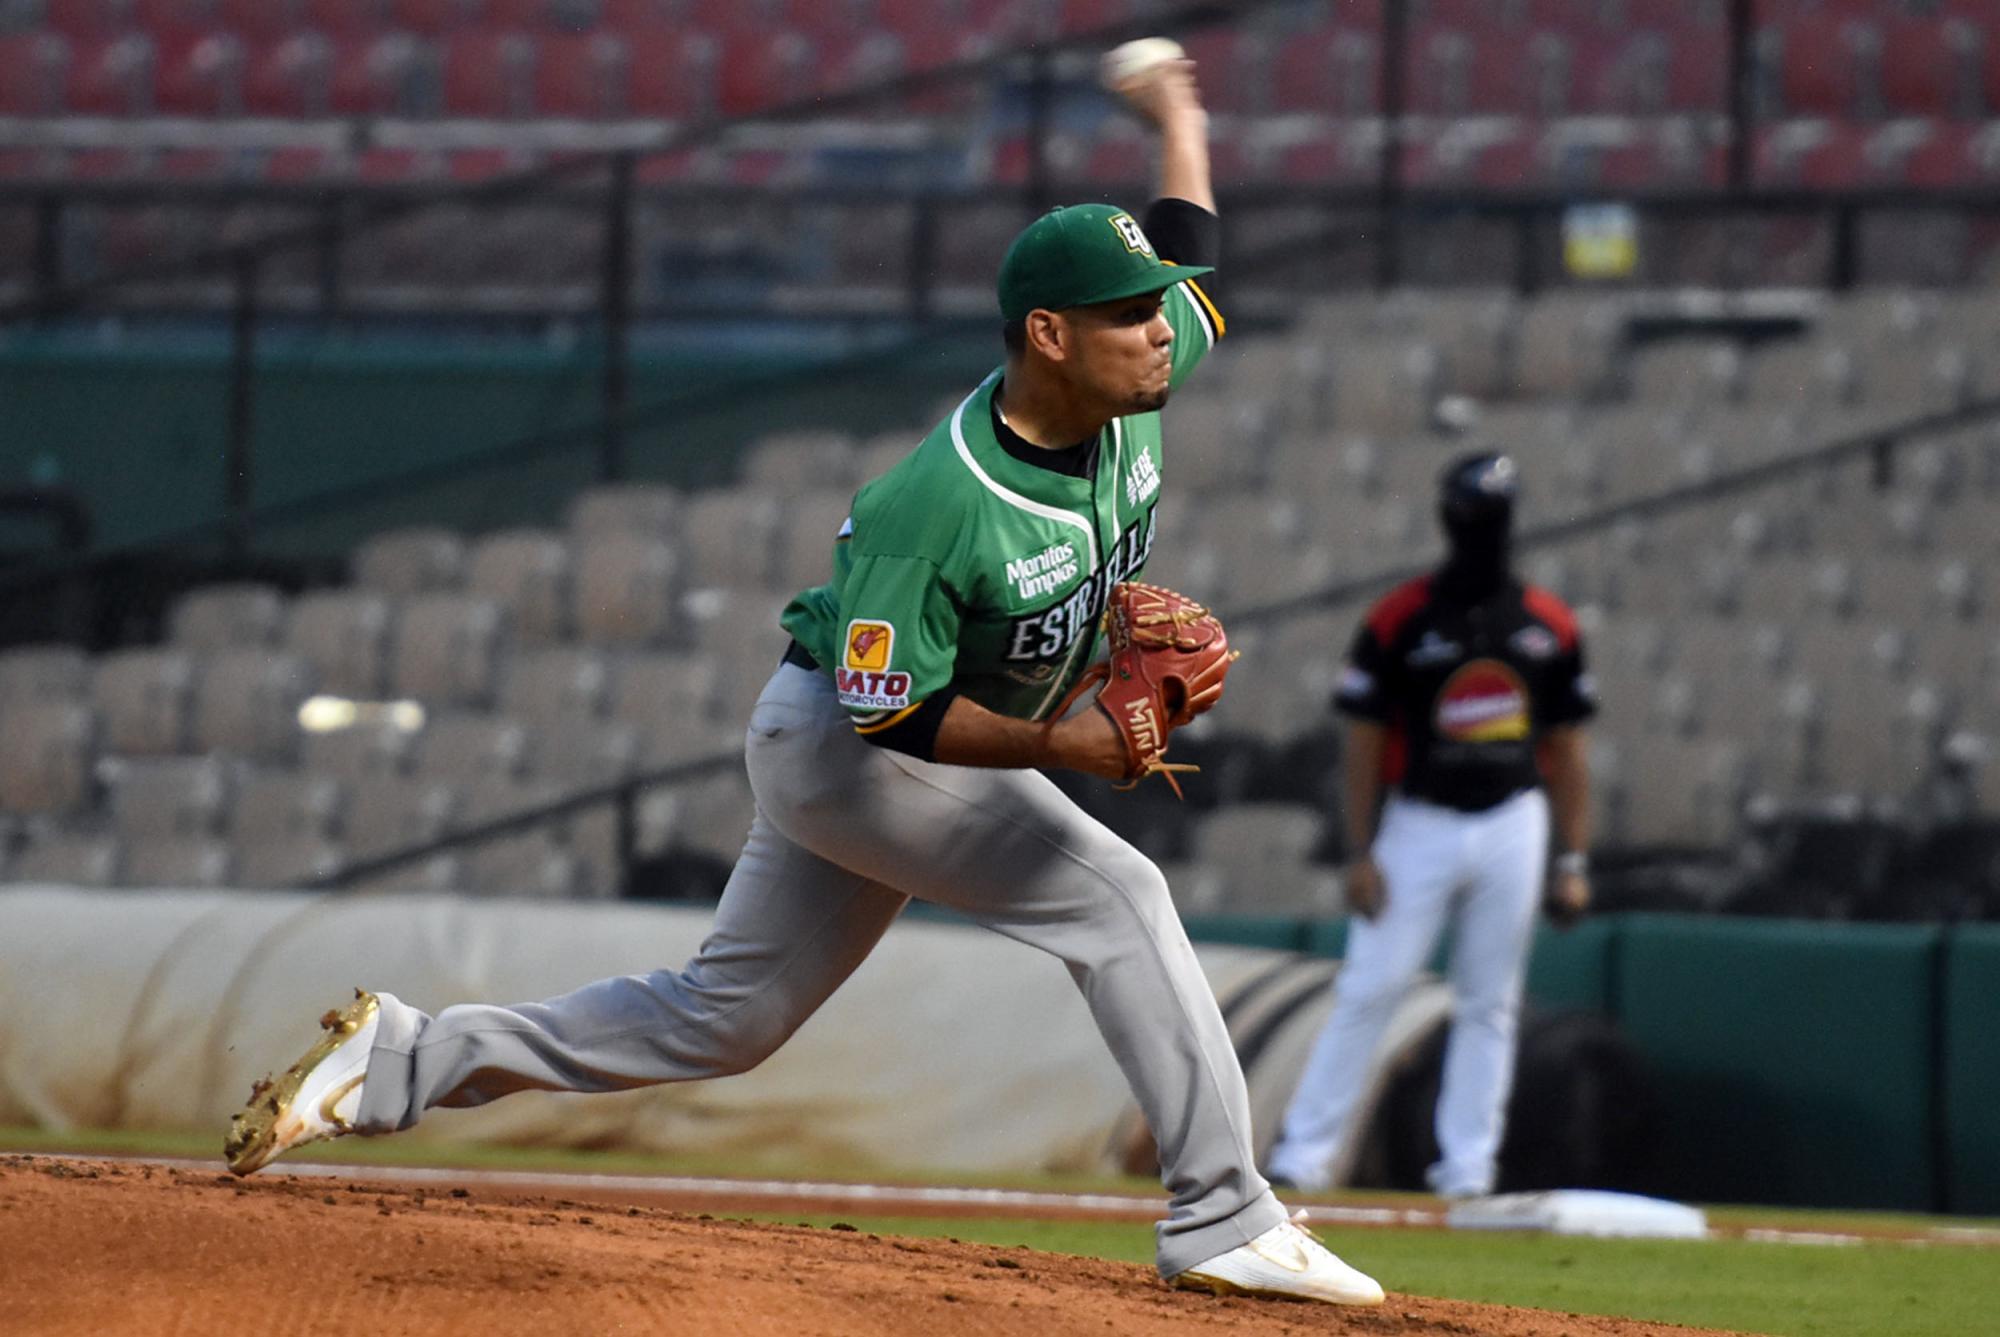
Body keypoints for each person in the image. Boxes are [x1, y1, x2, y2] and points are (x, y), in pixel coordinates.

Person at [224, 54, 1384, 1308]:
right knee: (1119, 894)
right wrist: (1069, 743)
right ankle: (1222, 1211)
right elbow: (893, 709)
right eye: (1128, 312)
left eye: (1156, 308)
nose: (1162, 326)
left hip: (873, 749)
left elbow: (1187, 243)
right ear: (1049, 335)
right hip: (849, 745)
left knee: (722, 1018)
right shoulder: (933, 504)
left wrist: (1177, 116)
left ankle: (402, 1059)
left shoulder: (1135, 381)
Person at [1263, 452, 1596, 1200]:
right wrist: (1361, 848)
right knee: (1370, 985)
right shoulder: (1402, 619)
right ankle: (1304, 1157)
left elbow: (1570, 750)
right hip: (1419, 820)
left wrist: (1572, 859)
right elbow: (1363, 741)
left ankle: (1467, 1170)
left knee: (1490, 1000)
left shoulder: (1547, 625)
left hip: (1513, 817)